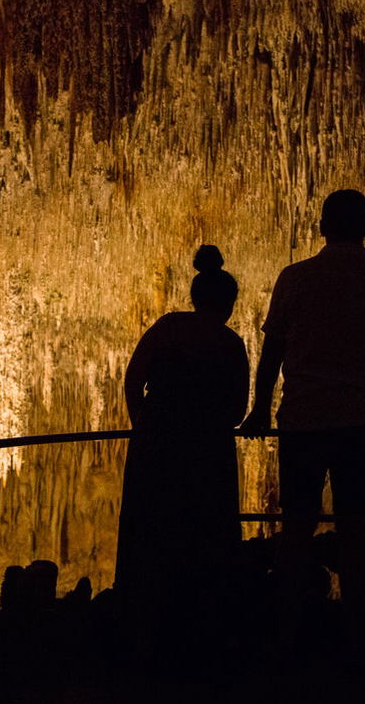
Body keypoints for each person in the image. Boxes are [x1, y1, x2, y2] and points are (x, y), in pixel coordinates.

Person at [240, 189, 365, 648]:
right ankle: (357, 633)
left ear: (321, 227)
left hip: (305, 419)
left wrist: (258, 408)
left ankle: (288, 631)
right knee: (355, 530)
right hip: (361, 422)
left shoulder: (296, 278)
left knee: (297, 527)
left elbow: (272, 351)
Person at [114, 244, 250, 659]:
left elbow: (133, 378)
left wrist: (144, 426)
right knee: (204, 539)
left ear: (194, 298)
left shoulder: (167, 327)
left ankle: (145, 635)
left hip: (157, 447)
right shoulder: (230, 343)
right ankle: (201, 637)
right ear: (228, 305)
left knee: (152, 535)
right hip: (208, 453)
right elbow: (237, 408)